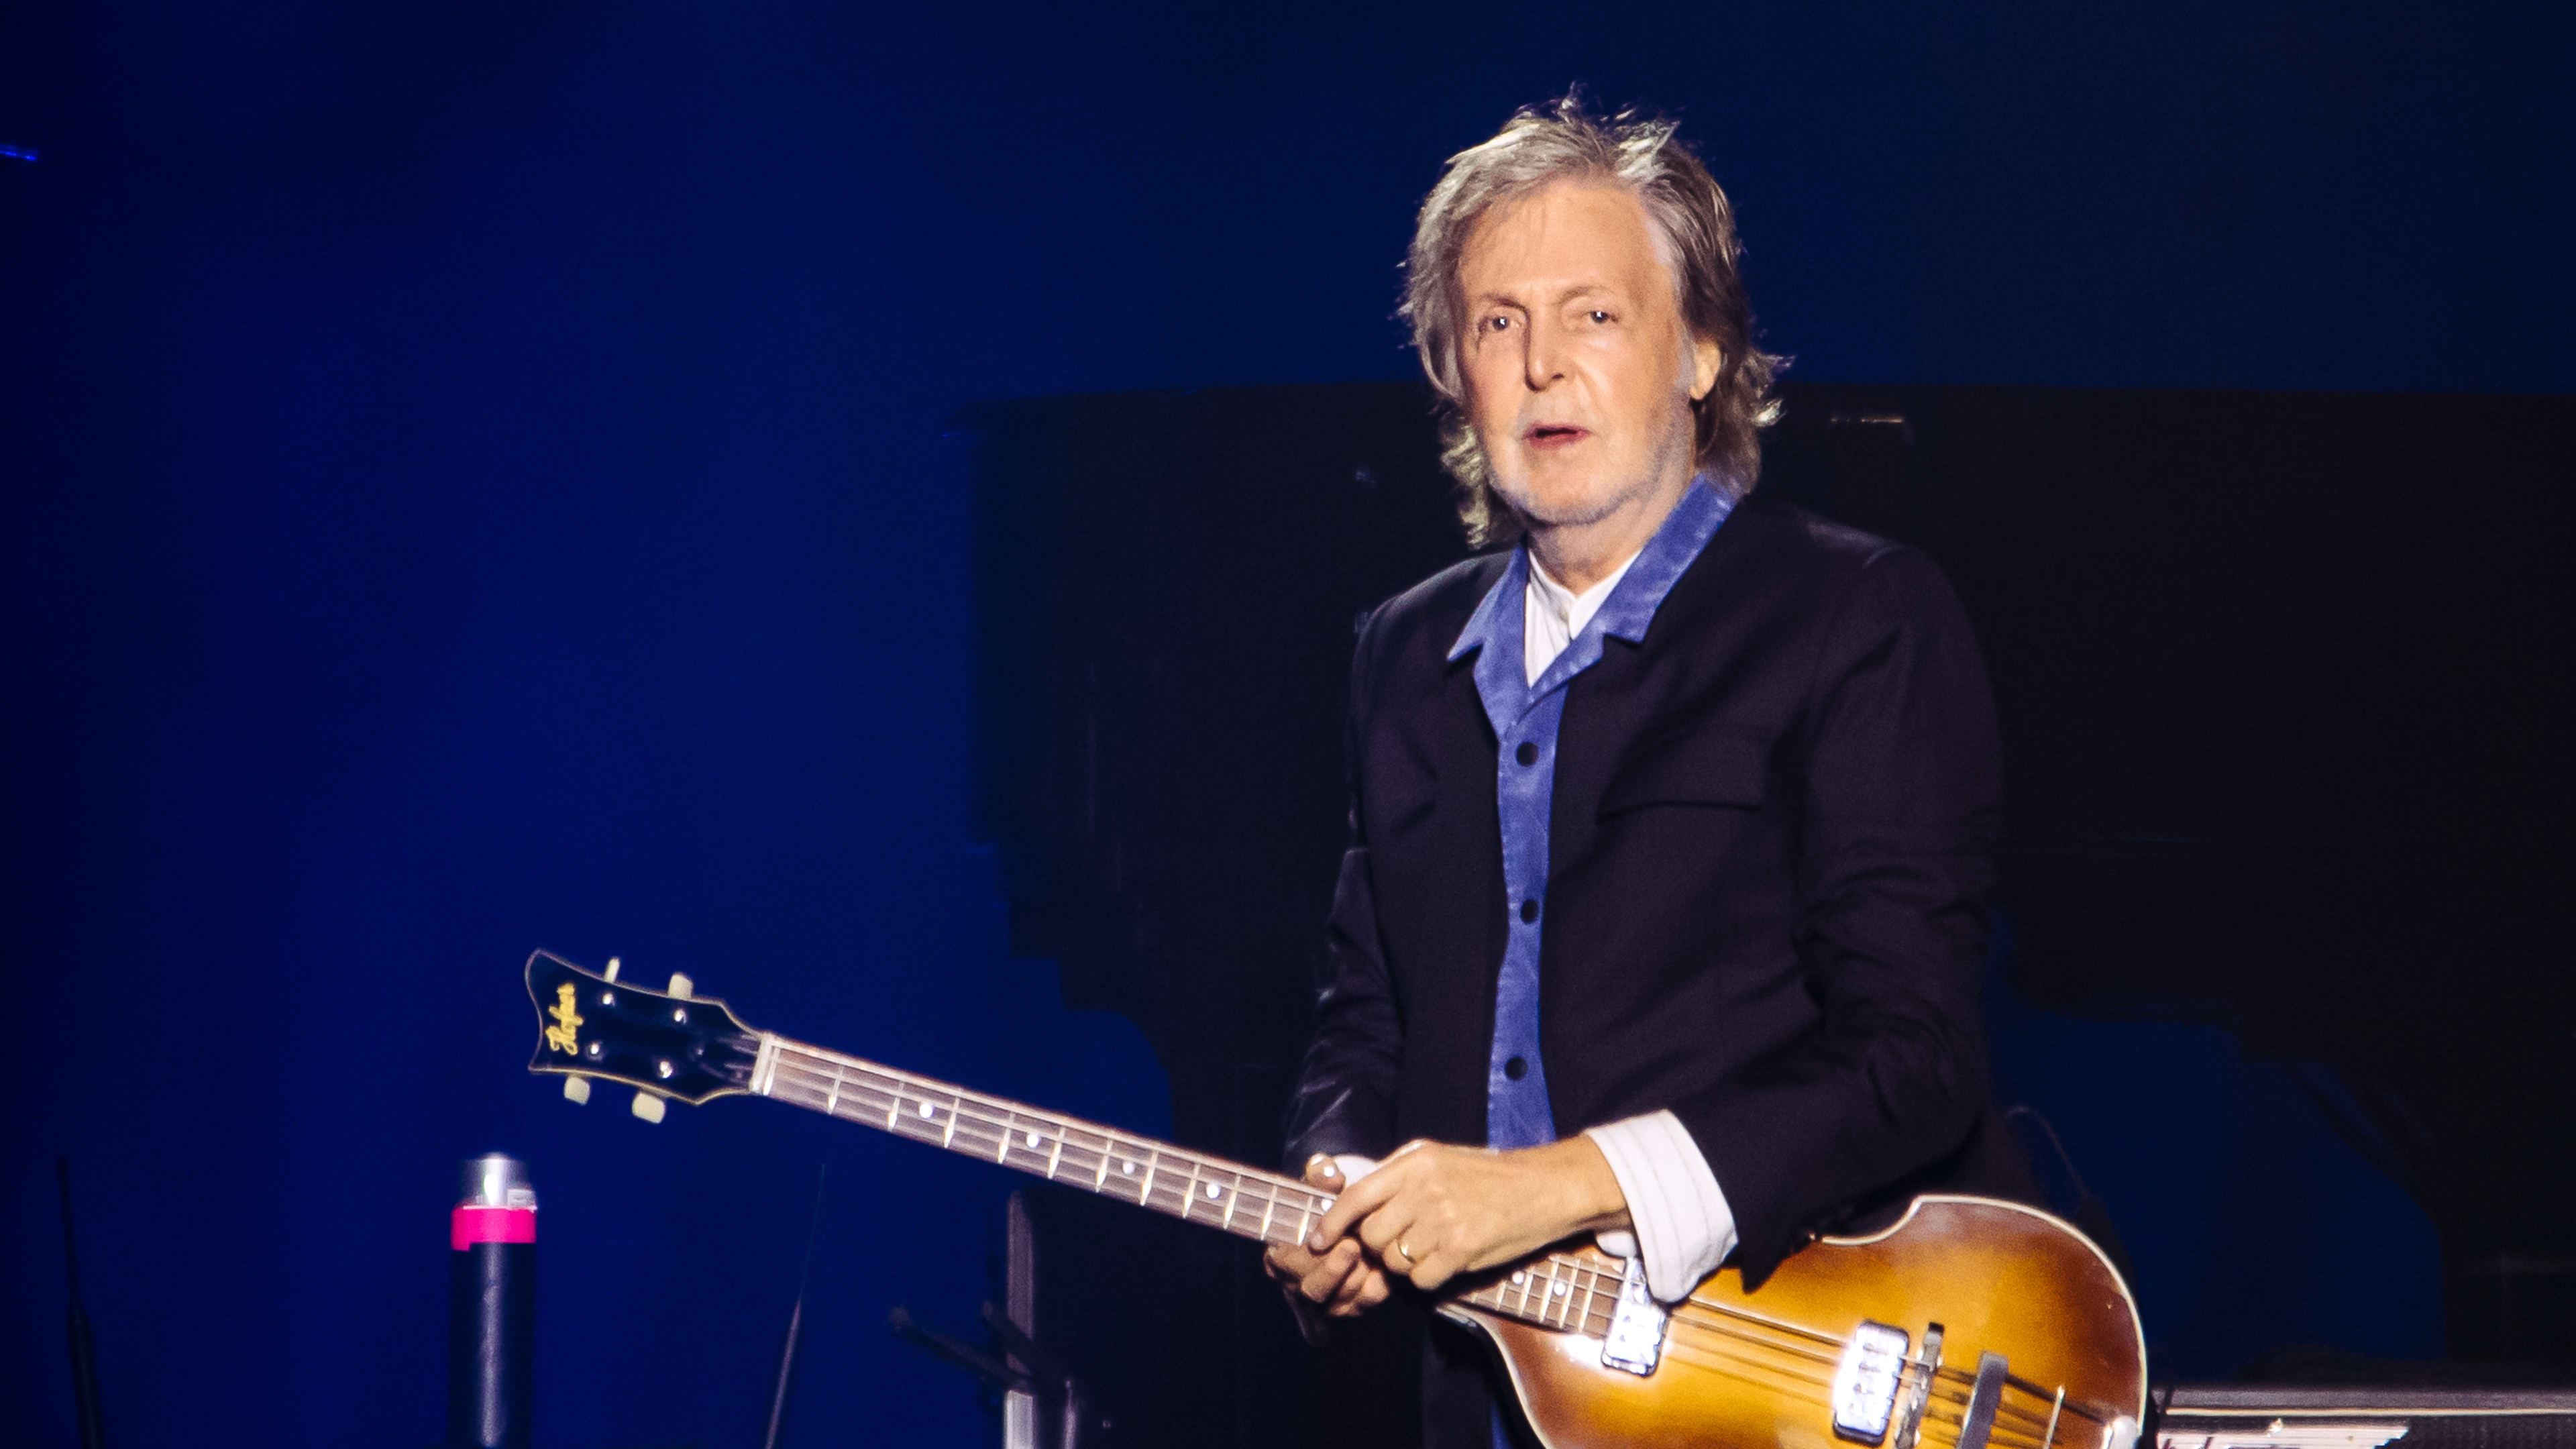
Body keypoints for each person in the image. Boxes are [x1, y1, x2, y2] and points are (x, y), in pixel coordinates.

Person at [1265, 95, 2033, 1447]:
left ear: (1702, 351)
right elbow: (1364, 1023)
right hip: (1477, 1405)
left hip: (1775, 1383)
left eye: (1596, 315)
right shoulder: (1400, 654)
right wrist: (1333, 1178)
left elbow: (1913, 1061)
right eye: (1496, 324)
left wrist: (1564, 1186)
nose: (1542, 366)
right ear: (1454, 373)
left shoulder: (1858, 618)